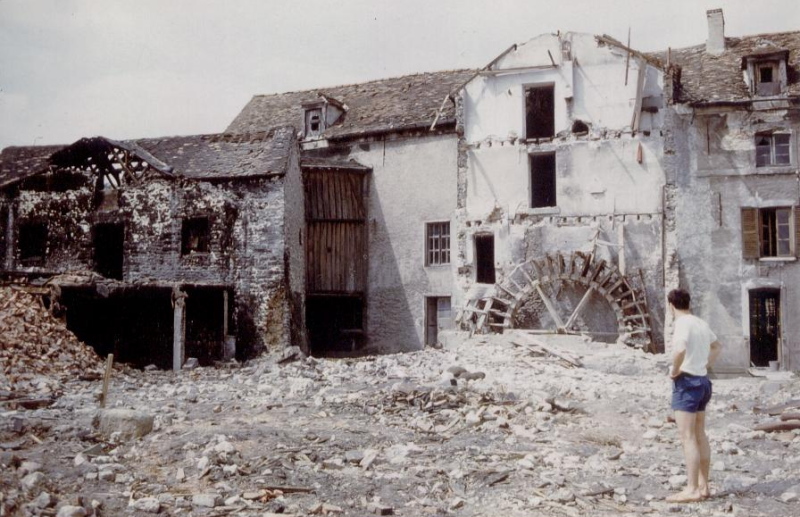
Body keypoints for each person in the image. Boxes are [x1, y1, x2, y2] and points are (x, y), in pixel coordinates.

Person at [666, 288, 722, 503]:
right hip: (703, 382)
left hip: (687, 382)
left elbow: (679, 349)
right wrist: (704, 364)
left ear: (671, 306)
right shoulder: (700, 323)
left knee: (687, 437)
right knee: (700, 434)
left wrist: (674, 370)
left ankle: (691, 489)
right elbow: (717, 346)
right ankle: (704, 486)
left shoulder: (681, 324)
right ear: (688, 303)